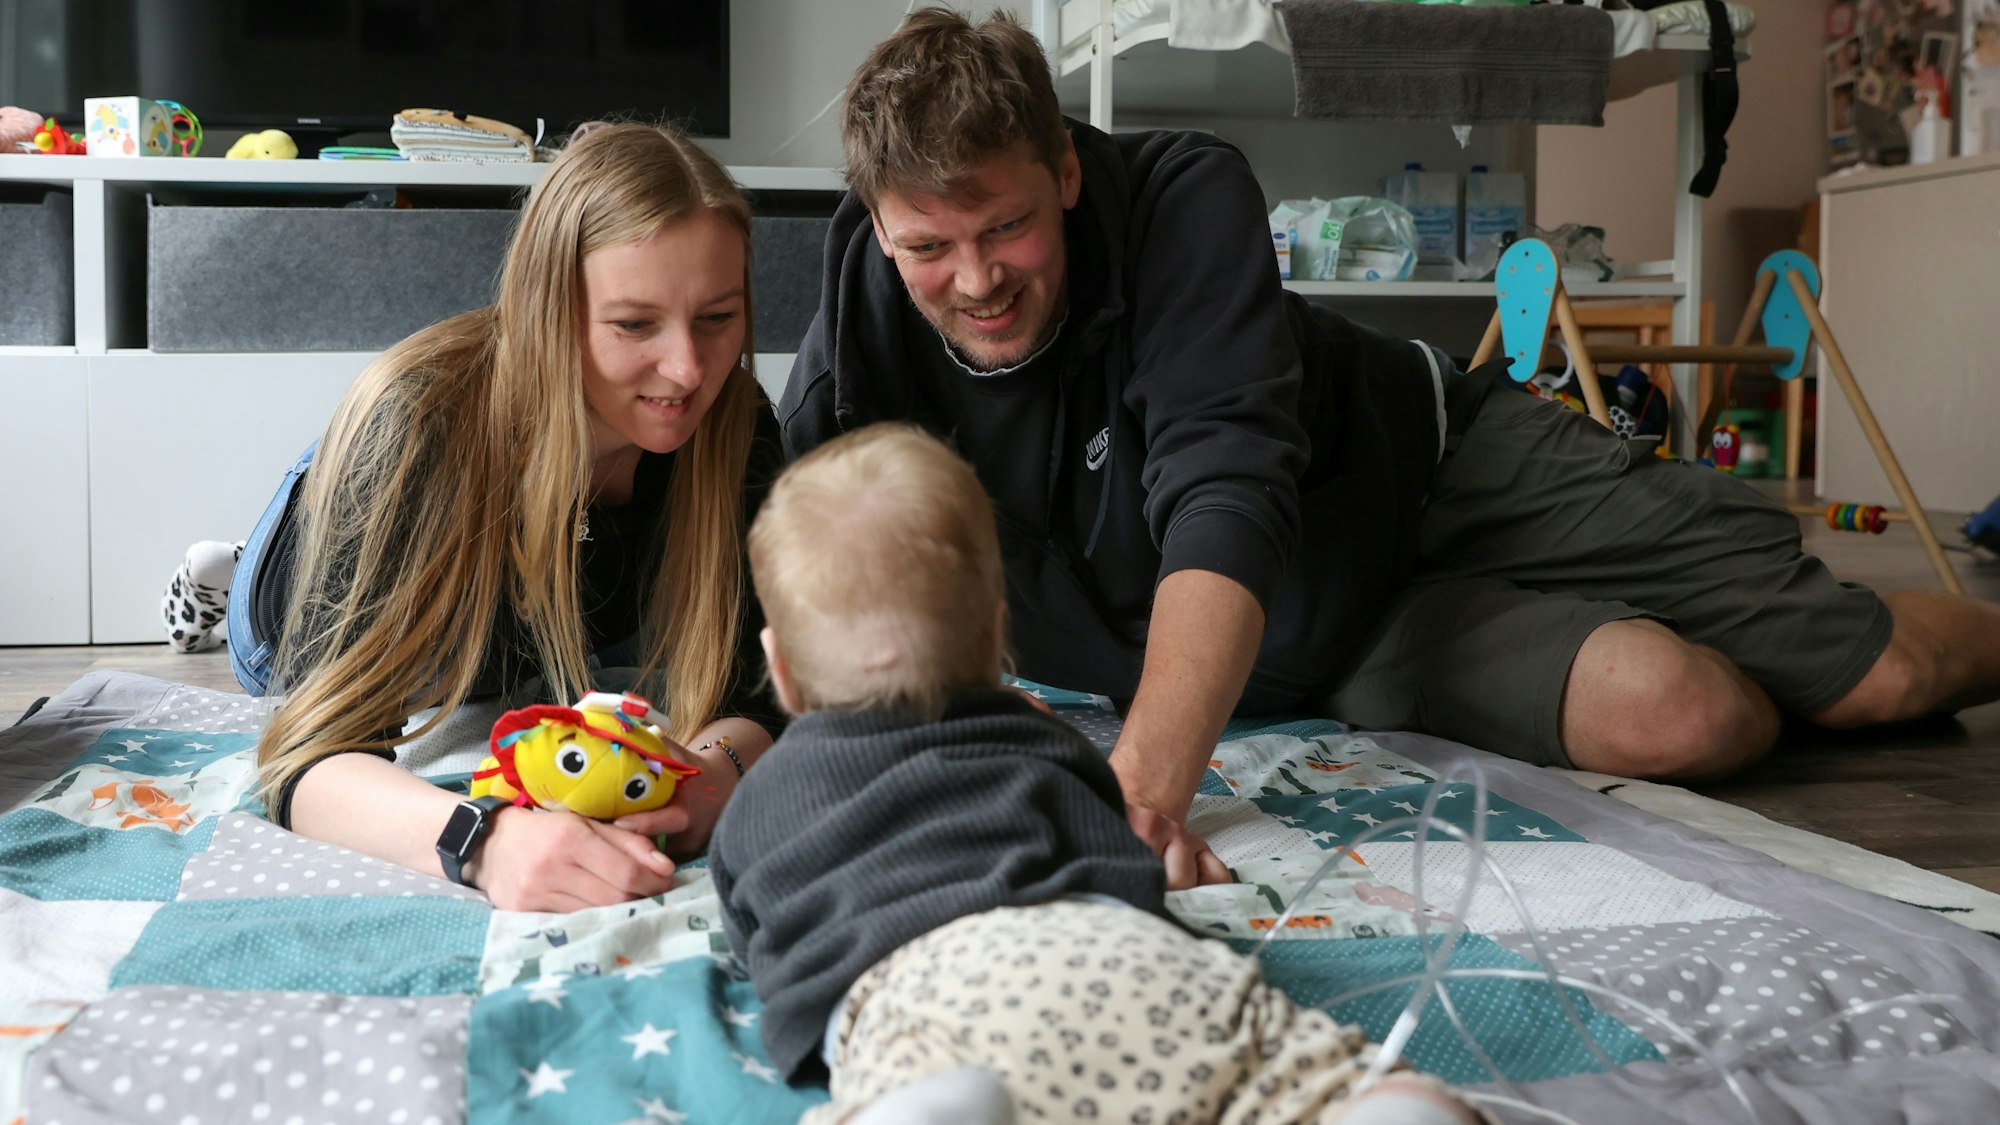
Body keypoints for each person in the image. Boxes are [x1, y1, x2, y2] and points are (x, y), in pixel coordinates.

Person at [779, 9, 2000, 890]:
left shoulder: (1177, 197)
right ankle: (1727, 667)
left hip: (1430, 467)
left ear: (1062, 168)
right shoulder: (859, 287)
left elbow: (1223, 494)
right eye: (927, 247)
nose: (977, 279)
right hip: (1317, 638)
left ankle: (1839, 647)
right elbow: (795, 549)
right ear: (878, 223)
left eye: (1007, 228)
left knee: (1879, 678)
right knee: (1682, 715)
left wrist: (1137, 799)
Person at [709, 423, 1480, 1125]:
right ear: (998, 630)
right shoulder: (1042, 741)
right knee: (1285, 1068)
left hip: (929, 1002)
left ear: (781, 669)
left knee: (903, 1072)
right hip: (1122, 953)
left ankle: (929, 1110)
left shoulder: (764, 798)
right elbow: (1115, 844)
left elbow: (763, 948)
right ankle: (1386, 1109)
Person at [241, 123, 785, 913]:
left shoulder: (734, 422)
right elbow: (306, 755)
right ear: (550, 311)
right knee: (265, 627)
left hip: (544, 627)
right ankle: (217, 577)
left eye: (717, 317)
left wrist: (701, 778)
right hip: (306, 575)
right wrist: (482, 840)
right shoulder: (415, 422)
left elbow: (763, 687)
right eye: (635, 324)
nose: (689, 369)